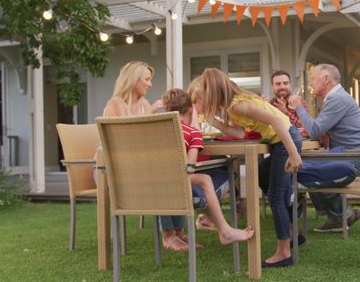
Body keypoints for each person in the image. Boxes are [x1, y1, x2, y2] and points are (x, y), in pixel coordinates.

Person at [102, 61, 253, 251]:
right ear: (133, 79)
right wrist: (152, 114)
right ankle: (169, 234)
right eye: (146, 79)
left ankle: (178, 232)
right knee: (174, 171)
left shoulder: (144, 104)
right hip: (116, 171)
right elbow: (124, 140)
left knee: (172, 167)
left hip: (148, 166)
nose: (149, 84)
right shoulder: (116, 104)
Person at [191, 68, 303, 268]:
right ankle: (291, 233)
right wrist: (214, 121)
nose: (203, 99)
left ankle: (284, 252)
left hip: (286, 139)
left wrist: (293, 153)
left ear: (214, 91)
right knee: (263, 175)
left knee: (276, 196)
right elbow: (241, 134)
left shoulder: (239, 105)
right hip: (281, 140)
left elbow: (277, 120)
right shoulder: (232, 107)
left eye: (204, 94)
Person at [288, 63, 360, 233]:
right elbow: (319, 128)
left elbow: (314, 131)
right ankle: (340, 214)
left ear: (326, 79)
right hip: (353, 154)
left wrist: (299, 107)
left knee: (307, 168)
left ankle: (339, 214)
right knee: (308, 164)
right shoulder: (336, 98)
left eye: (313, 78)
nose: (311, 83)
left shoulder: (337, 99)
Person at [161, 88, 230, 233]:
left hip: (152, 187)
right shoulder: (193, 134)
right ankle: (223, 228)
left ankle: (173, 232)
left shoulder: (154, 130)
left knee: (166, 178)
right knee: (221, 174)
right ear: (191, 110)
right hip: (178, 188)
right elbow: (189, 168)